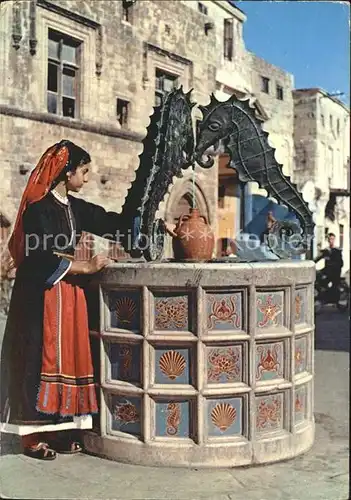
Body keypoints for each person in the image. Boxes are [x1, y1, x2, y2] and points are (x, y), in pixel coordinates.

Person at [0, 140, 174, 460]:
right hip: (41, 295)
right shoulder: (38, 209)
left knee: (71, 360)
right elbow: (36, 257)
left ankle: (62, 430)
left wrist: (155, 225)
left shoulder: (76, 208)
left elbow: (114, 224)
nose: (88, 178)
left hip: (69, 296)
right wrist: (84, 266)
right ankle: (33, 437)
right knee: (42, 361)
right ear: (67, 173)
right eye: (83, 171)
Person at [315, 233, 343, 302]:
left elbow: (341, 263)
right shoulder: (326, 250)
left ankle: (332, 298)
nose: (331, 241)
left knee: (333, 285)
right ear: (328, 240)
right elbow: (318, 258)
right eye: (330, 239)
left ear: (334, 240)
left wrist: (333, 265)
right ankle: (322, 296)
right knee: (317, 278)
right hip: (327, 270)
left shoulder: (337, 250)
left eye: (332, 239)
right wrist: (312, 263)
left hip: (335, 271)